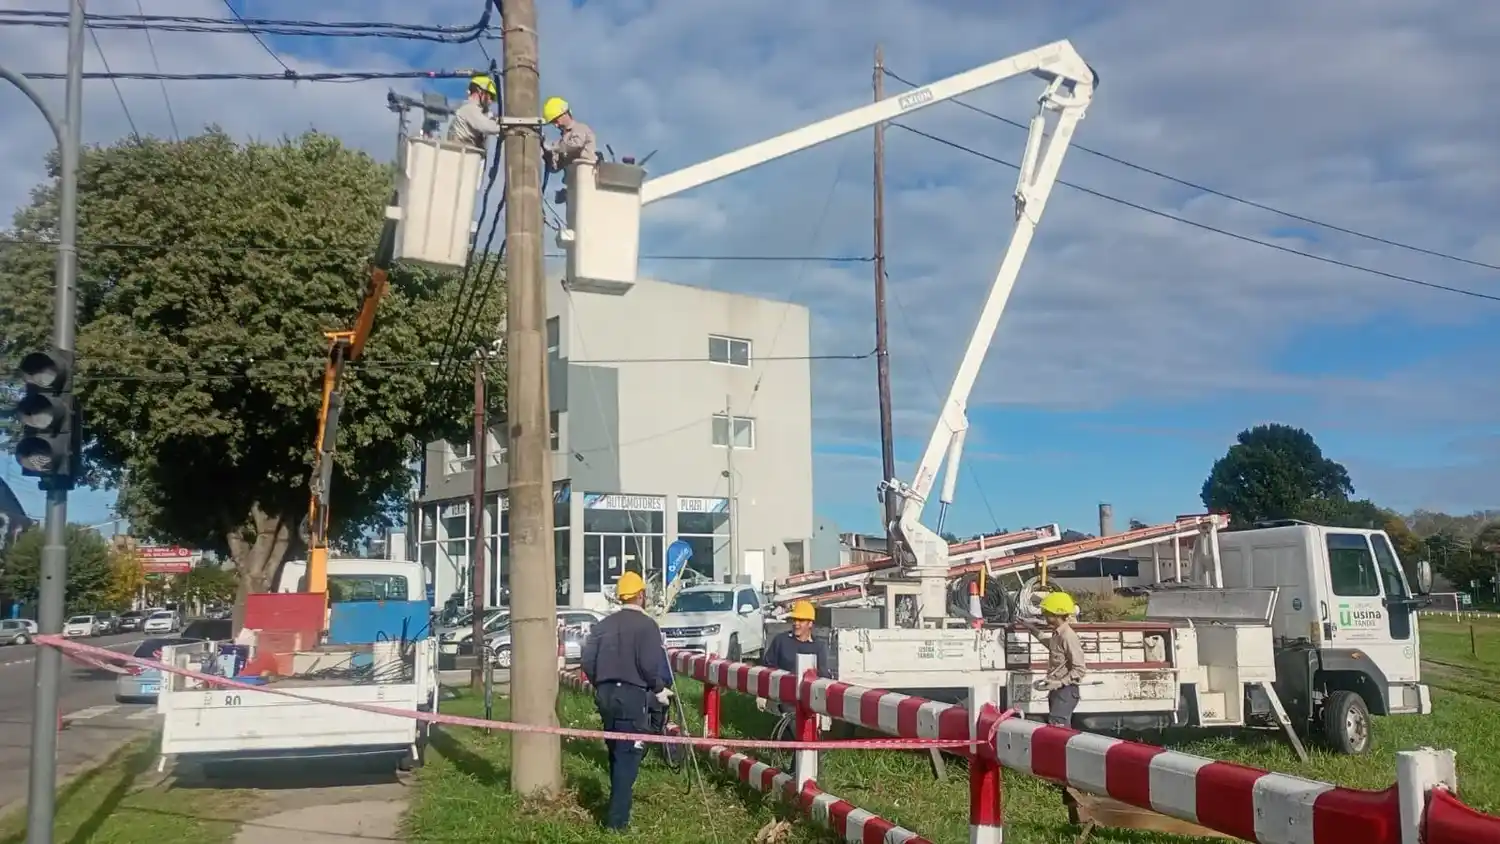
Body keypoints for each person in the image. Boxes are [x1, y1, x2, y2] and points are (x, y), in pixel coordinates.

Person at [580, 571, 672, 831]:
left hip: (606, 695)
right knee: (628, 757)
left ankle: (617, 810)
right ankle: (617, 823)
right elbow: (649, 664)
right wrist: (659, 689)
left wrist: (602, 682)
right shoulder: (647, 626)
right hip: (631, 696)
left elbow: (587, 661)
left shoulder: (603, 625)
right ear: (641, 595)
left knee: (615, 752)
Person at [1020, 591, 1088, 727]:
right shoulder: (1058, 633)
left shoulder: (1068, 636)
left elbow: (1079, 669)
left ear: (1056, 614)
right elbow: (1050, 645)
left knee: (1058, 727)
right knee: (1056, 726)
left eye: (1047, 612)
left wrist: (1060, 683)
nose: (1044, 615)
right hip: (1058, 690)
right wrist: (1032, 629)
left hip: (1066, 691)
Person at [541, 96, 598, 205]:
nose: (556, 125)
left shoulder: (580, 128)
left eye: (556, 121)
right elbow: (555, 167)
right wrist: (545, 151)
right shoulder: (562, 141)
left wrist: (552, 147)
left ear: (565, 114)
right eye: (553, 123)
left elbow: (576, 144)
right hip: (574, 186)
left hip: (588, 180)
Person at [448, 75, 502, 149]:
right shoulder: (470, 108)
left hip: (464, 153)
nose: (490, 101)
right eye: (490, 96)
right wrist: (507, 127)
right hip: (461, 153)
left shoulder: (472, 109)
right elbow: (487, 126)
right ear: (480, 91)